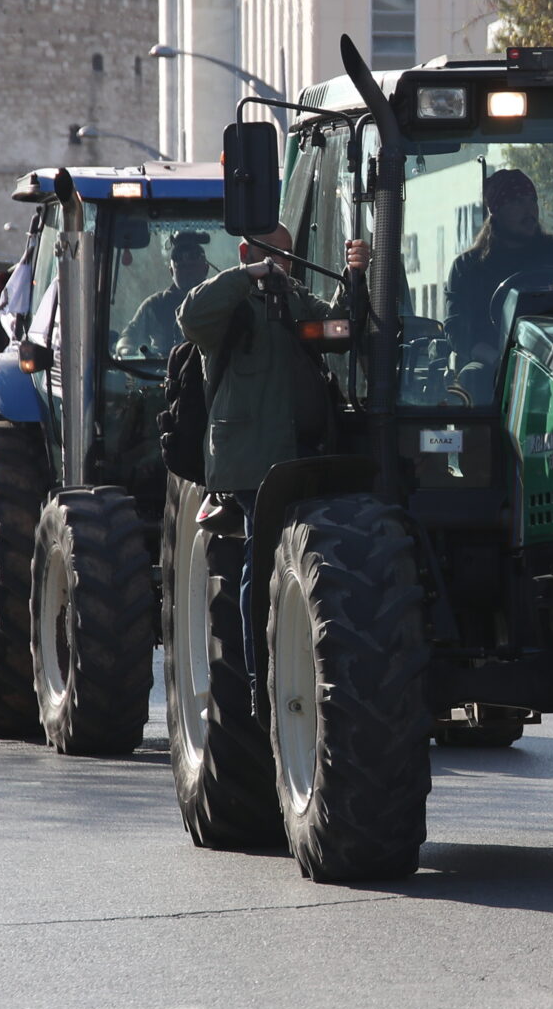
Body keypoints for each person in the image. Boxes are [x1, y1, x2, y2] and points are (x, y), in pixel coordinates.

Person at [179, 225, 368, 718]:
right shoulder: (231, 301)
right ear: (247, 252)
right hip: (249, 457)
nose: (283, 260)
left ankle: (297, 664)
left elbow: (339, 331)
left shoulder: (294, 297)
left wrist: (354, 275)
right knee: (259, 563)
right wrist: (248, 275)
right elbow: (191, 317)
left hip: (298, 453)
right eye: (272, 252)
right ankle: (256, 679)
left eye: (287, 253)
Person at [443, 168, 553, 365]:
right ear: (496, 211)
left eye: (532, 200)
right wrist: (497, 361)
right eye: (517, 201)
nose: (529, 210)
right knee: (474, 375)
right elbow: (457, 330)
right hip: (495, 365)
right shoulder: (468, 267)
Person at [122, 231, 212, 357]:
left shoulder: (219, 300)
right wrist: (126, 349)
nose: (187, 272)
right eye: (181, 267)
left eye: (192, 267)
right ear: (171, 272)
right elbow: (129, 336)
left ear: (206, 269)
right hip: (162, 369)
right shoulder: (155, 305)